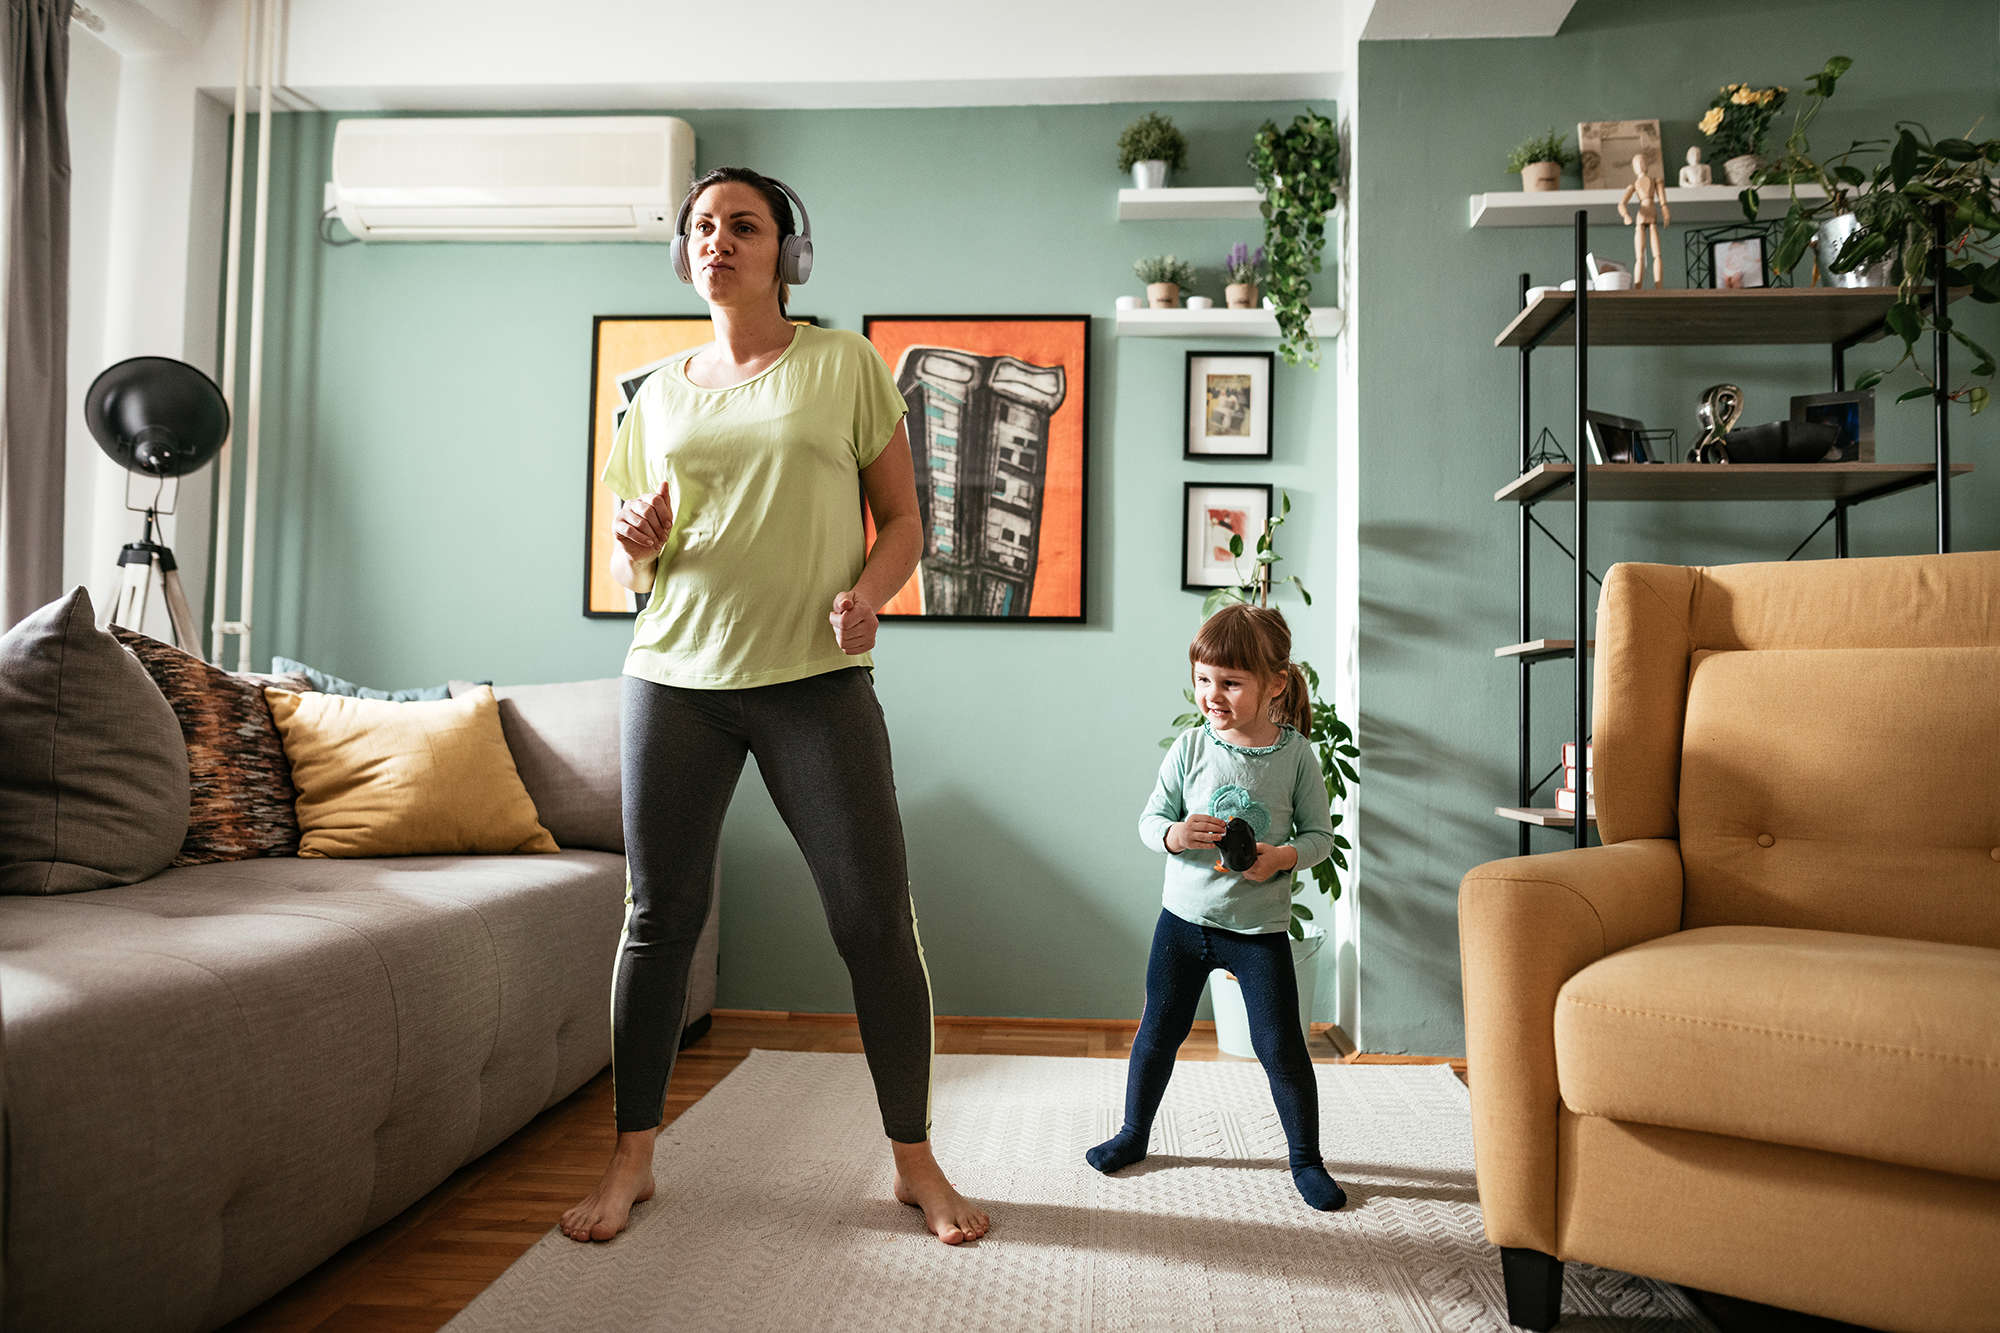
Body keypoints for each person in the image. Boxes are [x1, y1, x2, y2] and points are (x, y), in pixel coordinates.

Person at [561, 166, 990, 1246]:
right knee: (657, 921)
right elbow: (636, 572)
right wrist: (635, 549)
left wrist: (870, 600)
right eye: (702, 227)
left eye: (741, 226)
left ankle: (912, 1160)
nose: (718, 241)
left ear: (785, 251)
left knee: (872, 923)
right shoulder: (654, 396)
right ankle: (632, 1161)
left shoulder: (841, 364)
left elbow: (902, 520)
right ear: (684, 252)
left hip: (813, 682)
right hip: (673, 680)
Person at [1085, 603, 1346, 1211]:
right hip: (1182, 922)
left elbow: (1320, 839)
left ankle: (1305, 1160)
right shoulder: (1190, 747)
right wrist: (1175, 836)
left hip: (1257, 932)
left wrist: (1280, 858)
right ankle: (1133, 1134)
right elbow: (1151, 820)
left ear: (1274, 683)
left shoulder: (1297, 757)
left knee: (1280, 1046)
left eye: (1230, 683)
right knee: (1158, 1033)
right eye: (1204, 680)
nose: (1213, 695)